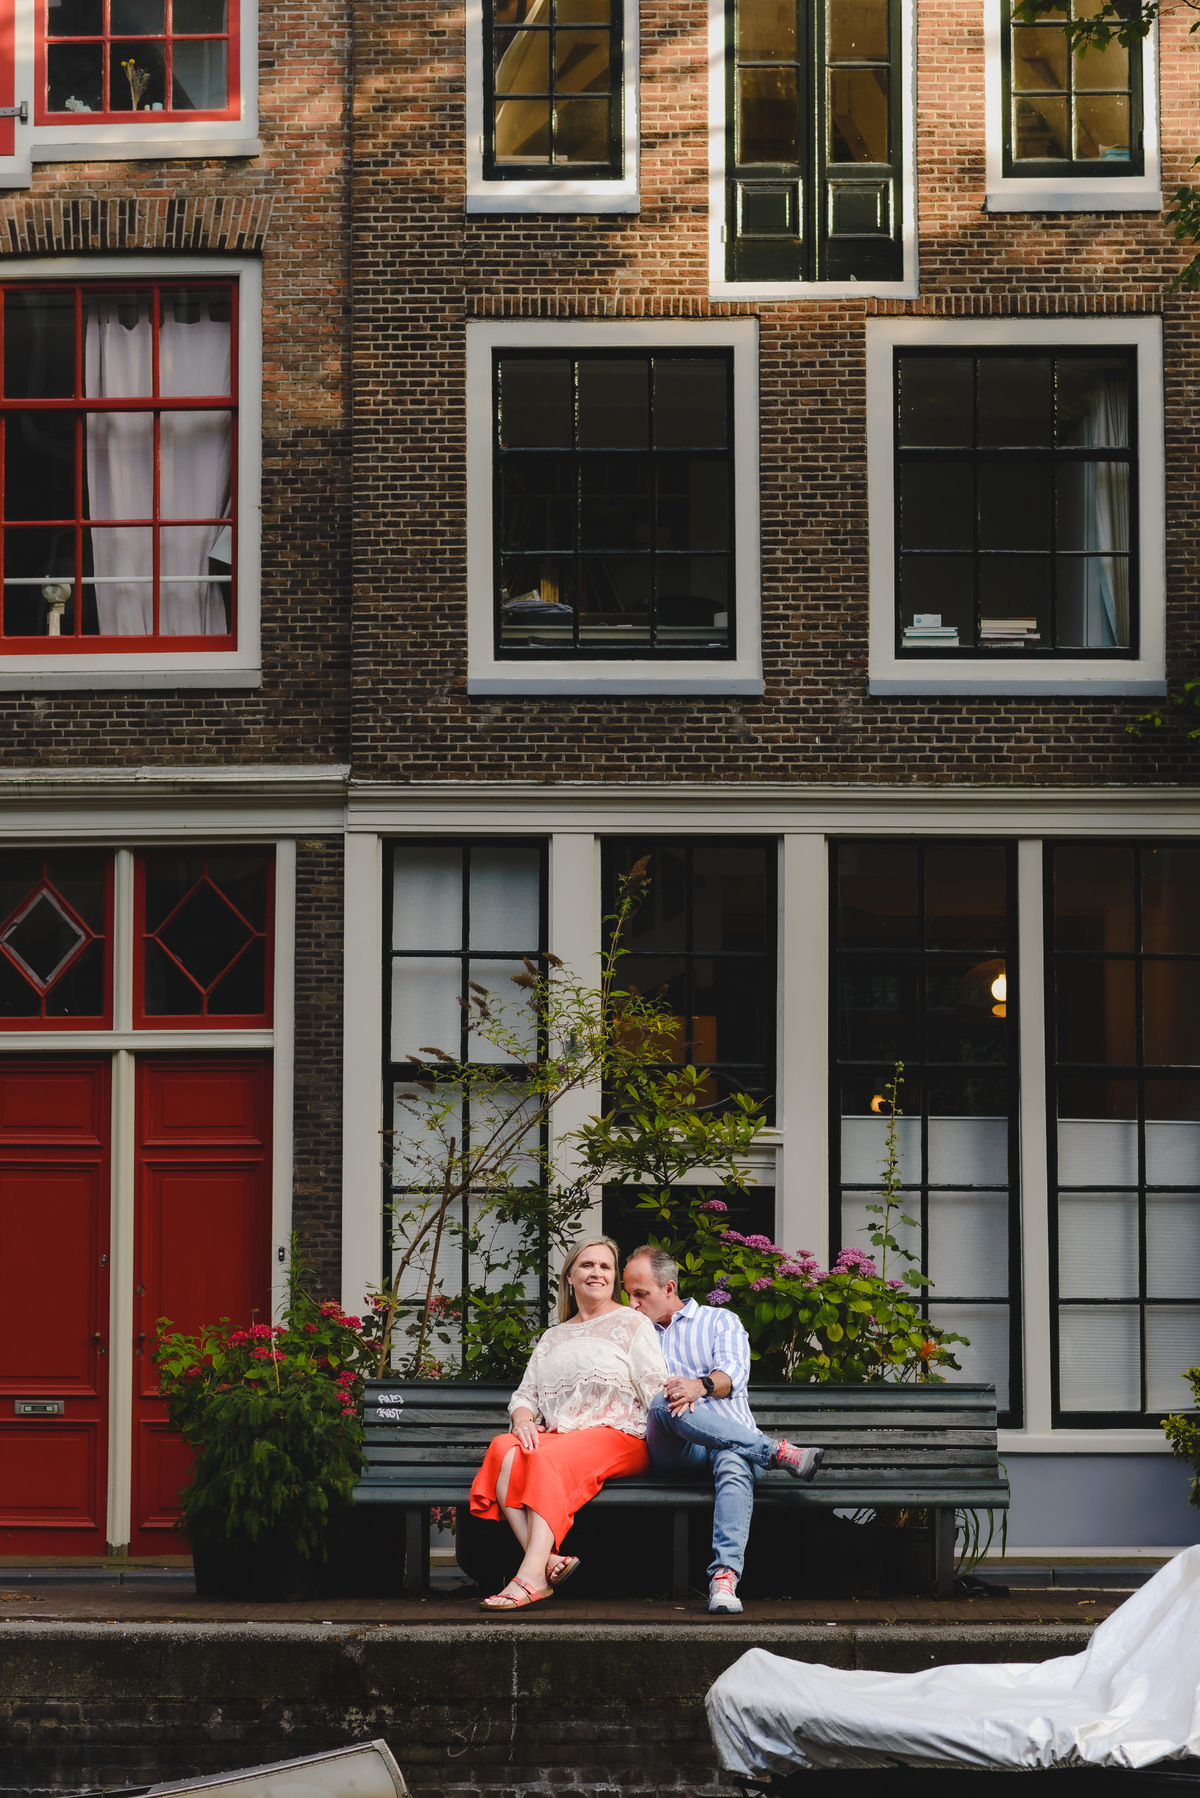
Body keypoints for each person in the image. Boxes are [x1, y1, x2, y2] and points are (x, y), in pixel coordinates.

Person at [623, 1243, 824, 1615]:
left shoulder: (720, 1321)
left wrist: (699, 1386)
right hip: (676, 1450)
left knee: (734, 1460)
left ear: (669, 1288)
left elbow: (734, 1373)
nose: (633, 1304)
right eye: (628, 1295)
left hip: (729, 1441)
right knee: (662, 1403)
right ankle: (776, 1452)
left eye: (640, 1294)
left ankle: (724, 1578)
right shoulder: (634, 1331)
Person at [469, 1233, 666, 1611]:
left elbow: (654, 1390)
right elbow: (524, 1397)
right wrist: (523, 1418)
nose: (597, 1273)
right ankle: (548, 1560)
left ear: (613, 1278)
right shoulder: (552, 1338)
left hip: (620, 1435)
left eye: (605, 1266)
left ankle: (529, 1577)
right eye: (587, 1265)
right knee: (503, 1449)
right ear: (570, 1277)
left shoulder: (631, 1324)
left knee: (542, 1458)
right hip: (564, 1439)